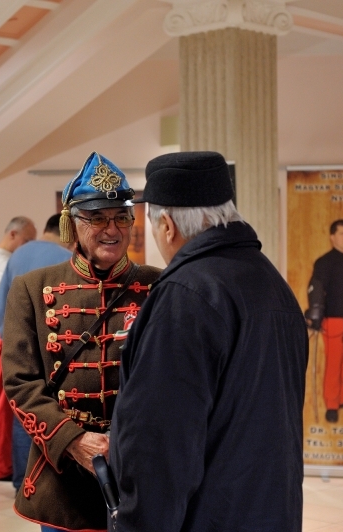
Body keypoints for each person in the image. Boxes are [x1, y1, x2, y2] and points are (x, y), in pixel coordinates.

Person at [111, 151, 308, 531]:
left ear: (167, 226)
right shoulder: (273, 285)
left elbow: (160, 443)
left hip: (208, 517)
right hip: (270, 511)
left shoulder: (187, 295)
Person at [1, 152, 161, 531]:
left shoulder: (159, 285)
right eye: (98, 218)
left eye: (122, 217)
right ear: (72, 224)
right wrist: (73, 440)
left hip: (140, 469)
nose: (113, 229)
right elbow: (20, 384)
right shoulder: (32, 288)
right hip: (63, 474)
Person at [0, 213, 72, 492]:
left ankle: (20, 482)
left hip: (20, 348)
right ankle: (47, 481)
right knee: (50, 415)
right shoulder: (66, 257)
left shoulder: (18, 255)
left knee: (22, 414)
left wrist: (9, 341)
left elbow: (1, 304)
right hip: (55, 353)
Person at [0, 215, 37, 481]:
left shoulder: (4, 259)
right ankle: (2, 465)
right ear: (13, 235)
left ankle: (7, 464)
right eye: (27, 240)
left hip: (4, 334)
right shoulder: (1, 261)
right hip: (2, 335)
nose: (29, 247)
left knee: (9, 404)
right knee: (3, 406)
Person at [307, 219, 343, 423]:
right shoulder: (324, 262)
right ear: (332, 237)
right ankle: (332, 404)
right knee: (334, 363)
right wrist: (316, 315)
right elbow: (316, 289)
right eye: (342, 234)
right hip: (333, 321)